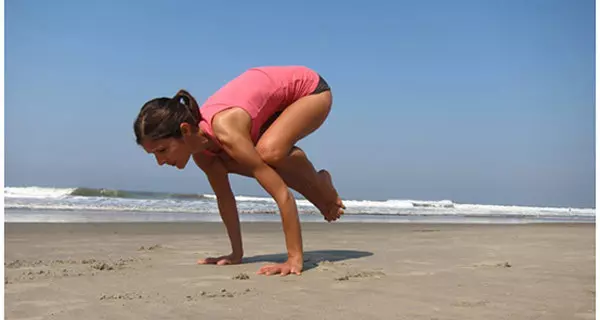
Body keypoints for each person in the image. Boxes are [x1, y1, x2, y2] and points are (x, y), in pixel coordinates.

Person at [133, 65, 345, 276]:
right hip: (274, 107)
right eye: (154, 155)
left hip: (311, 91)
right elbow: (225, 199)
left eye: (162, 150)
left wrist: (294, 259)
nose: (160, 161)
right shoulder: (204, 155)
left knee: (268, 153)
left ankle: (321, 185)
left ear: (186, 130)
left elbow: (281, 193)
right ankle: (321, 189)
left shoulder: (226, 131)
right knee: (246, 163)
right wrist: (236, 254)